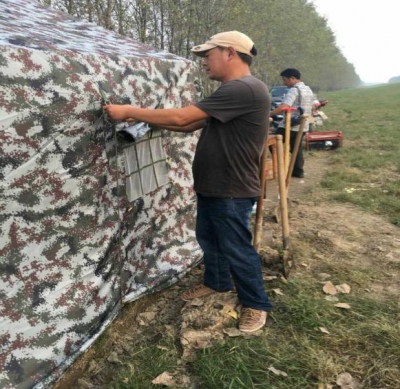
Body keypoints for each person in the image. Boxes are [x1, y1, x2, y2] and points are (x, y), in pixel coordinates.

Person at [103, 31, 273, 333]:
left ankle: (256, 304)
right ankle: (217, 283)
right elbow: (191, 124)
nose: (204, 62)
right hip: (216, 183)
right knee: (209, 239)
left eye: (208, 55)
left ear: (229, 53)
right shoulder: (233, 91)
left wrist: (128, 110)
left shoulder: (243, 89)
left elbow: (182, 119)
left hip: (231, 188)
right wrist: (147, 119)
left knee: (236, 247)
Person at [269, 68, 314, 178]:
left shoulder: (294, 90)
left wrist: (269, 114)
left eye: (285, 80)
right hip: (303, 124)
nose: (284, 82)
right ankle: (298, 171)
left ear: (292, 78)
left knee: (272, 142)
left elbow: (285, 106)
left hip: (290, 125)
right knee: (296, 148)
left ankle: (280, 165)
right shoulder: (308, 89)